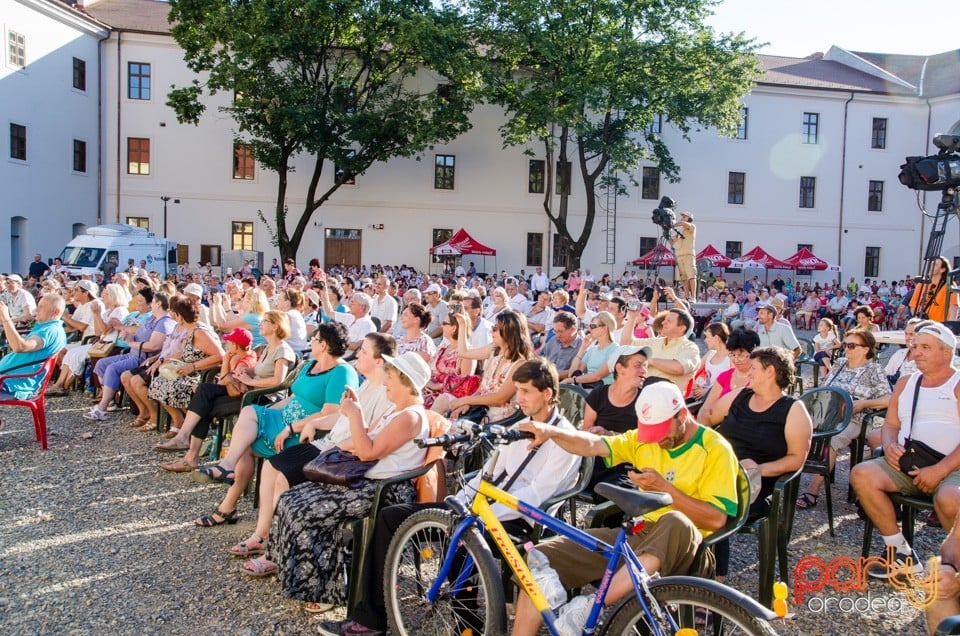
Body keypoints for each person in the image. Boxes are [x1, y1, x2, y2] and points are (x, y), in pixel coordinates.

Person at [320, 358, 582, 636]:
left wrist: (479, 515)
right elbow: (487, 474)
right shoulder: (523, 426)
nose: (519, 398)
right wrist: (461, 502)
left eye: (526, 391)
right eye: (517, 390)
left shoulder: (567, 439)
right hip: (484, 507)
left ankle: (467, 627)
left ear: (548, 394)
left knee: (462, 537)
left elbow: (536, 497)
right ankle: (370, 619)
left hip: (519, 520)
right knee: (390, 517)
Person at [512, 381, 739, 635]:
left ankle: (590, 606)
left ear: (683, 415)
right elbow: (593, 444)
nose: (657, 440)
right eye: (651, 432)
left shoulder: (715, 449)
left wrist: (667, 490)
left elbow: (717, 519)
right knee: (541, 559)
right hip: (640, 536)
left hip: (690, 545)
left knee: (675, 520)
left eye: (661, 431)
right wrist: (552, 432)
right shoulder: (645, 440)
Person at [248, 352, 430, 611]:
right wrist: (355, 413)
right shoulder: (398, 411)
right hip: (368, 482)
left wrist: (354, 415)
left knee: (306, 508)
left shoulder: (410, 416)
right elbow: (366, 438)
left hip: (384, 490)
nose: (386, 381)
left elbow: (367, 451)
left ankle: (325, 590)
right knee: (291, 498)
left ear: (406, 383)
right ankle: (297, 573)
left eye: (391, 377)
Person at [227, 333, 398, 566]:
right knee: (270, 466)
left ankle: (276, 552)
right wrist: (313, 423)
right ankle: (262, 535)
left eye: (364, 351)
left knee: (283, 479)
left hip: (342, 452)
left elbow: (369, 434)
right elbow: (340, 415)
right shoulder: (368, 383)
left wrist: (325, 433)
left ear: (379, 361)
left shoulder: (385, 392)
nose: (357, 354)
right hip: (328, 443)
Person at [193, 321, 358, 526]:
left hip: (304, 432)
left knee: (247, 441)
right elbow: (292, 397)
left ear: (323, 345)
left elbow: (330, 415)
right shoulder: (309, 365)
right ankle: (227, 488)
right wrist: (267, 413)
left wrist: (290, 428)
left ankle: (227, 504)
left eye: (314, 340)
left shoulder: (342, 372)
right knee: (249, 417)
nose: (311, 343)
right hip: (282, 419)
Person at [851, 322, 960, 579]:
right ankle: (901, 552)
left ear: (946, 352)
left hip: (952, 466)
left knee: (949, 499)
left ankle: (953, 565)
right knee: (861, 474)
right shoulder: (907, 382)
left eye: (925, 347)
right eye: (915, 346)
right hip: (912, 460)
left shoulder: (957, 383)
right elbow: (890, 425)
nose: (916, 352)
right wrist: (889, 446)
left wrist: (940, 470)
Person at [700, 346, 813, 581]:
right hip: (722, 472)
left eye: (753, 368)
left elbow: (797, 458)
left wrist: (759, 469)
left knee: (709, 507)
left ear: (770, 371)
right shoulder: (741, 395)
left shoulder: (792, 409)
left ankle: (711, 585)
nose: (747, 372)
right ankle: (681, 573)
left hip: (758, 486)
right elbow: (708, 418)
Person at [155, 317, 295, 467]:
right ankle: (184, 442)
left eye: (265, 321)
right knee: (203, 392)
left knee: (204, 404)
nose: (260, 323)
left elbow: (278, 381)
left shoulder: (283, 350)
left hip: (262, 397)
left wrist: (249, 381)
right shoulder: (268, 347)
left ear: (275, 326)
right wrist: (244, 371)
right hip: (248, 390)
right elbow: (257, 370)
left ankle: (189, 453)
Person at [796, 328, 891, 509]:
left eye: (852, 345)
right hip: (826, 414)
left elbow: (888, 399)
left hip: (854, 419)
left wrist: (863, 403)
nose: (846, 349)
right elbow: (824, 386)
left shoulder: (873, 369)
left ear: (866, 349)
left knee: (831, 439)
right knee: (791, 429)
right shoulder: (839, 363)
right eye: (845, 344)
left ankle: (812, 489)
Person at [84, 291, 175, 421]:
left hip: (142, 358)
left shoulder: (164, 323)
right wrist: (129, 335)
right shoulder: (152, 318)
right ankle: (109, 399)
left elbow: (153, 346)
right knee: (101, 364)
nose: (151, 304)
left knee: (112, 368)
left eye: (153, 302)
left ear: (159, 304)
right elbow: (140, 332)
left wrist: (131, 342)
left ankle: (102, 408)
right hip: (132, 353)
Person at [432, 310, 532, 421]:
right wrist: (463, 324)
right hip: (480, 411)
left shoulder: (519, 365)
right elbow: (464, 353)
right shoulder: (495, 351)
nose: (491, 331)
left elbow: (500, 399)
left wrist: (466, 400)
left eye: (495, 328)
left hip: (499, 421)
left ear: (508, 332)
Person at [146, 295, 224, 431]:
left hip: (201, 373)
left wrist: (193, 366)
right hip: (189, 370)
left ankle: (192, 427)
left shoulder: (200, 332)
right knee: (158, 381)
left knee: (172, 386)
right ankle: (180, 422)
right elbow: (184, 353)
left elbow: (220, 356)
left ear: (180, 316)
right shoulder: (189, 330)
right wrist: (163, 361)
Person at [0, 294, 67, 398]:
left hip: (12, 384)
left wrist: (5, 318)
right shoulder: (48, 328)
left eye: (41, 307)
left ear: (56, 312)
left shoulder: (50, 330)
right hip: (9, 380)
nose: (36, 310)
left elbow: (20, 347)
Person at [621, 306, 701, 390]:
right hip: (644, 394)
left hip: (669, 399)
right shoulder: (656, 342)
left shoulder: (690, 347)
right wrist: (632, 317)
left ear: (682, 328)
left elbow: (679, 368)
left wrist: (651, 361)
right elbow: (627, 343)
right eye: (665, 320)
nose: (663, 323)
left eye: (668, 321)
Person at [421, 311, 477, 409]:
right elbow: (431, 371)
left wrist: (438, 386)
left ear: (454, 328)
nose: (441, 326)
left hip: (447, 398)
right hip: (429, 391)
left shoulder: (468, 353)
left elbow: (465, 384)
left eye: (445, 323)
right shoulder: (444, 348)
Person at [562, 311, 618, 388]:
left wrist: (572, 380)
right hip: (588, 389)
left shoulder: (615, 349)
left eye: (592, 326)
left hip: (603, 391)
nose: (589, 329)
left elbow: (597, 376)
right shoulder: (592, 350)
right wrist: (582, 348)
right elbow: (572, 373)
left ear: (604, 328)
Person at [910, 256, 959, 323]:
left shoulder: (949, 286)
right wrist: (918, 319)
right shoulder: (921, 285)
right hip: (922, 326)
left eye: (935, 265)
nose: (931, 267)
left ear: (943, 270)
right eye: (931, 264)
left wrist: (949, 327)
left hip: (939, 327)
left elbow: (953, 308)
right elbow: (913, 306)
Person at [691, 322, 731, 401]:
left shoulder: (731, 358)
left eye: (707, 337)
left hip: (717, 398)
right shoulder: (710, 354)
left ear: (716, 338)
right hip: (701, 394)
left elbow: (731, 383)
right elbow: (694, 371)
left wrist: (707, 391)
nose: (705, 340)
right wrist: (694, 384)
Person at [539, 311, 582, 380]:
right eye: (555, 331)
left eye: (561, 331)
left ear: (573, 329)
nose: (557, 335)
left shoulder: (582, 347)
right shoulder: (553, 340)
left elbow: (576, 372)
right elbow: (541, 359)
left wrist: (549, 375)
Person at [671, 211, 697, 300]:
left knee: (691, 276)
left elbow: (682, 223)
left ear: (689, 218)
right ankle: (687, 296)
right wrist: (666, 234)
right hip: (679, 256)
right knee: (684, 278)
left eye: (684, 216)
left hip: (688, 254)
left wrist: (672, 224)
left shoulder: (692, 226)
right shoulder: (680, 230)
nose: (682, 217)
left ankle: (693, 296)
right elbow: (672, 242)